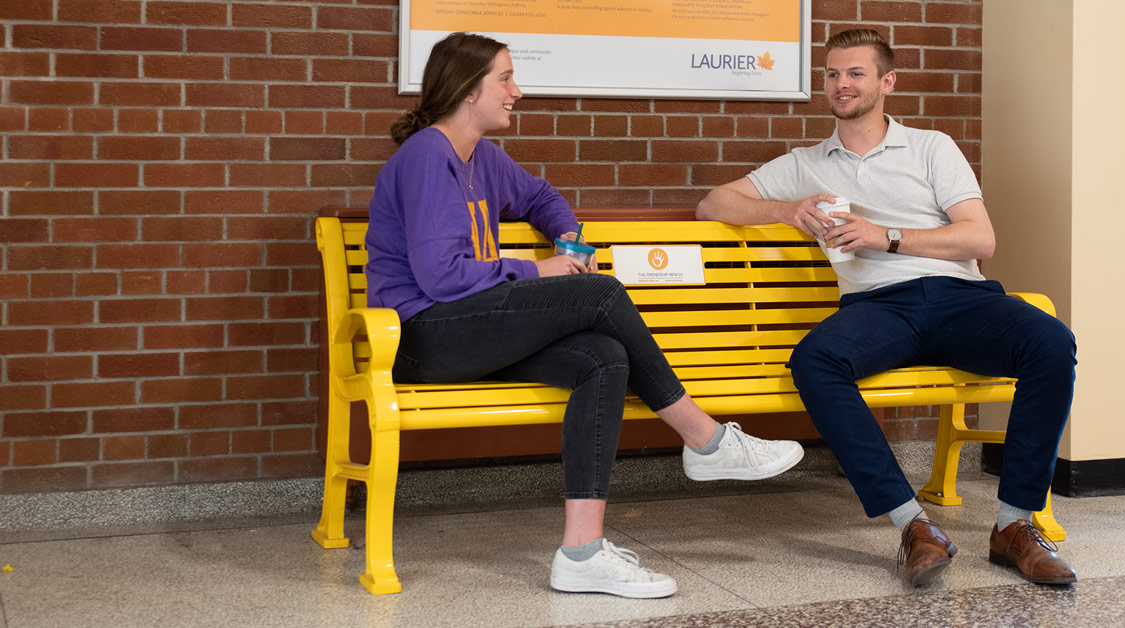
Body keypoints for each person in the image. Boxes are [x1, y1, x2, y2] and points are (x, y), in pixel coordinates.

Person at [366, 32, 805, 599]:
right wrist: (539, 268)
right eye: (504, 78)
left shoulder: (483, 157)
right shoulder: (429, 155)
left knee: (603, 358)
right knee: (600, 294)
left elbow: (541, 197)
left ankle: (582, 553)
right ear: (468, 90)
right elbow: (441, 277)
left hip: (469, 327)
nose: (516, 92)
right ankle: (706, 439)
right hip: (423, 336)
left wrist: (567, 236)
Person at [696, 28, 1078, 588]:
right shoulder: (806, 162)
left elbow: (980, 240)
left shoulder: (931, 146)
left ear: (886, 82)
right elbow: (712, 204)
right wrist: (787, 208)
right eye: (832, 74)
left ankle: (1014, 527)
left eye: (855, 73)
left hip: (958, 298)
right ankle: (914, 526)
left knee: (1051, 341)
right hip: (878, 308)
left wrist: (886, 236)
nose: (841, 84)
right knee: (815, 361)